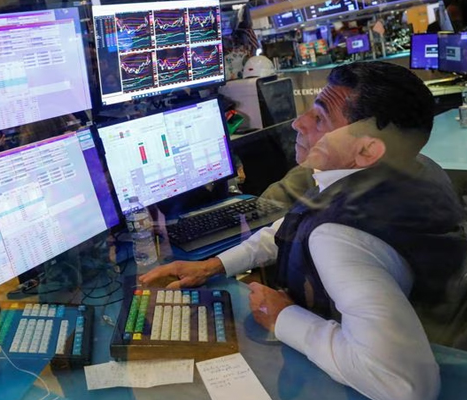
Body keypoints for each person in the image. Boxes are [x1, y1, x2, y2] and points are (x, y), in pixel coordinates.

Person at [140, 62, 467, 400]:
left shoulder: (339, 239)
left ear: (367, 150)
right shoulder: (412, 168)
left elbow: (405, 386)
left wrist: (283, 318)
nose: (298, 123)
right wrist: (214, 265)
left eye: (320, 118)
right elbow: (293, 224)